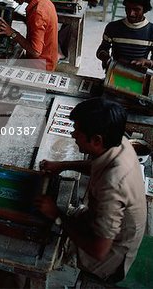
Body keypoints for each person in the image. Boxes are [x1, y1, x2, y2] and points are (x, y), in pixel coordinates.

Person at [36, 98, 146, 287]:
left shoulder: (112, 186)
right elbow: (97, 166)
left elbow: (98, 250)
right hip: (99, 222)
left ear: (96, 140)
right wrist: (62, 166)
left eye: (77, 132)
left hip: (109, 258)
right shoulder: (120, 142)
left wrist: (56, 215)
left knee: (38, 247)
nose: (73, 135)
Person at [0, 0, 58, 71]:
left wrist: (12, 33)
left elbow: (35, 52)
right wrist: (19, 17)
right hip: (49, 59)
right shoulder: (45, 2)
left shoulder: (37, 13)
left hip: (41, 66)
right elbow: (37, 26)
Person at [96, 0, 153, 70]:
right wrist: (106, 58)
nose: (131, 13)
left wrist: (146, 62)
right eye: (128, 8)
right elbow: (101, 49)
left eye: (136, 9)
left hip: (139, 77)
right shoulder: (113, 27)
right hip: (115, 73)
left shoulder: (151, 31)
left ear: (145, 10)